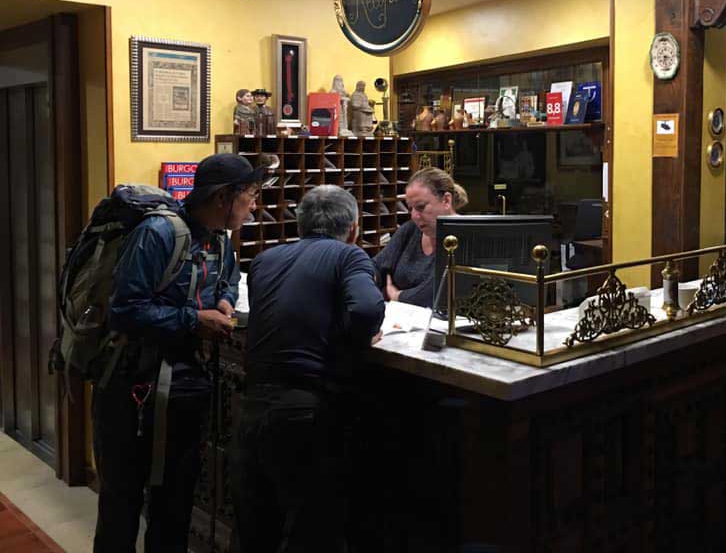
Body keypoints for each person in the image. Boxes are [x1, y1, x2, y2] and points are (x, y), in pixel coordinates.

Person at [92, 153, 261, 552]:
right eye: (249, 196)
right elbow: (124, 310)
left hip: (185, 391)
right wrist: (193, 320)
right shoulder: (158, 234)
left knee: (174, 507)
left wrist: (224, 300)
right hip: (132, 389)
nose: (254, 206)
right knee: (121, 505)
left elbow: (229, 279)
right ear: (222, 197)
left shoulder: (220, 239)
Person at [230, 185, 385, 553]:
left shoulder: (265, 259)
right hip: (306, 413)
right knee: (312, 531)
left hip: (251, 408)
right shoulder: (349, 256)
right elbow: (366, 310)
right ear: (353, 229)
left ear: (299, 225)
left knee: (254, 532)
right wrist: (353, 336)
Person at [373, 167, 468, 307]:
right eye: (410, 208)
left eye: (421, 207)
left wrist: (398, 296)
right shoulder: (411, 230)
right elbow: (377, 265)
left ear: (446, 200)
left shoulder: (466, 237)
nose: (414, 216)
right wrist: (367, 282)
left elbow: (438, 289)